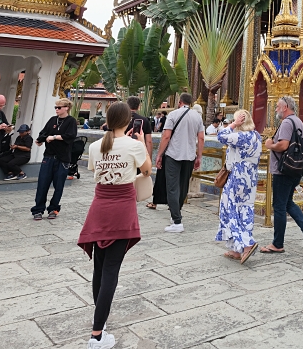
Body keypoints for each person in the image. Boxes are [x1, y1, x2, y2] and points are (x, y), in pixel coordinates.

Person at [79, 101, 150, 349]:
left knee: (100, 268)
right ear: (129, 121)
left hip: (100, 207)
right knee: (111, 271)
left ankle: (101, 324)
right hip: (121, 208)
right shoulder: (133, 145)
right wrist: (140, 143)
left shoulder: (97, 145)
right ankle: (97, 335)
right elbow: (147, 170)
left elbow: (93, 170)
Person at [259, 95, 303, 254]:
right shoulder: (299, 122)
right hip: (295, 168)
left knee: (279, 206)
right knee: (287, 203)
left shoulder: (286, 123)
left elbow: (283, 145)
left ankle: (277, 244)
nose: (276, 108)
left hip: (283, 170)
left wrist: (270, 145)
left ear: (285, 107)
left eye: (278, 106)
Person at [215, 109, 262, 264]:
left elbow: (220, 136)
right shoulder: (256, 136)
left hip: (237, 176)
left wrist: (234, 124)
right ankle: (237, 248)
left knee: (231, 209)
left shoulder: (241, 136)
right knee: (245, 209)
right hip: (250, 177)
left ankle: (247, 243)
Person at [154, 93, 205, 233]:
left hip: (173, 155)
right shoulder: (197, 117)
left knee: (172, 186)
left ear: (179, 102)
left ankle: (177, 221)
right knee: (183, 186)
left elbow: (166, 136)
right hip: (189, 156)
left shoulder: (173, 115)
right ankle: (176, 214)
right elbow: (201, 138)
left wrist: (159, 155)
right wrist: (199, 156)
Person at [31, 98, 78, 221]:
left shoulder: (71, 121)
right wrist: (40, 139)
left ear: (66, 108)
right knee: (43, 183)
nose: (57, 109)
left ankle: (53, 208)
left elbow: (70, 136)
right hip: (49, 157)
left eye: (59, 107)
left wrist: (55, 137)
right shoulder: (52, 120)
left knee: (59, 185)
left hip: (62, 158)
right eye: (56, 107)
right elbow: (44, 133)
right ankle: (38, 209)